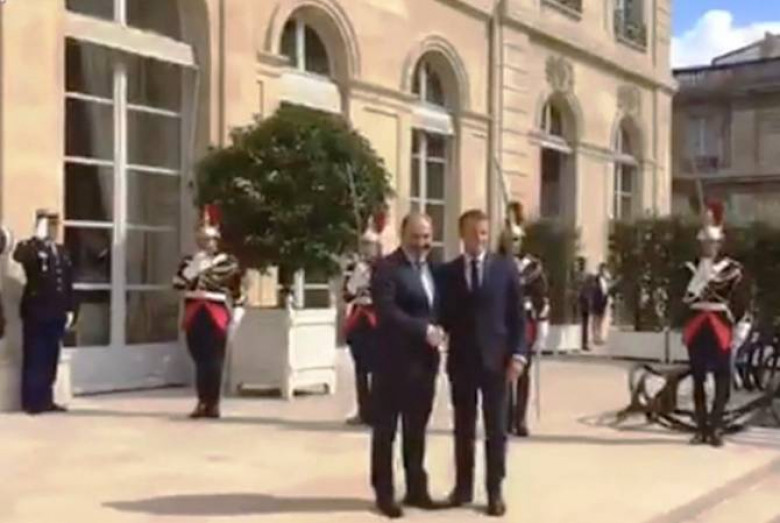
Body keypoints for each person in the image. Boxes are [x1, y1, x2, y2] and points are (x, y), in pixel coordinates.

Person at [440, 209, 525, 517]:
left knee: (496, 430)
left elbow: (517, 317)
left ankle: (494, 491)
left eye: (485, 233)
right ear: (462, 235)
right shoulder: (448, 272)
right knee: (463, 428)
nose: (480, 239)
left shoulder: (504, 269)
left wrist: (518, 355)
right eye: (474, 233)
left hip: (496, 362)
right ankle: (462, 487)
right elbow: (442, 314)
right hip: (462, 362)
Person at [370, 212, 445, 519]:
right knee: (386, 431)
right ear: (403, 236)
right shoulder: (387, 268)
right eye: (415, 236)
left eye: (426, 237)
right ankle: (384, 494)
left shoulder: (433, 269)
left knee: (416, 429)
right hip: (392, 362)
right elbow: (387, 311)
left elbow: (439, 309)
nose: (421, 243)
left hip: (425, 363)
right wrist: (423, 330)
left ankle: (416, 488)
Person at [681, 201, 751, 447]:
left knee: (722, 378)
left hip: (720, 326)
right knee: (698, 378)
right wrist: (699, 278)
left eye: (712, 243)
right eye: (704, 243)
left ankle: (716, 426)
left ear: (720, 244)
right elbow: (683, 299)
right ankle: (701, 427)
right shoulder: (690, 268)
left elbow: (740, 301)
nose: (708, 247)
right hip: (697, 327)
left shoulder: (732, 269)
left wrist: (738, 327)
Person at [173, 205, 244, 419]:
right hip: (194, 311)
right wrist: (194, 267)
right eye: (202, 240)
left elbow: (237, 292)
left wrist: (237, 316)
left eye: (210, 240)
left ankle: (213, 403)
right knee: (199, 359)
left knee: (214, 360)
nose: (206, 244)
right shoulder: (189, 261)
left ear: (217, 241)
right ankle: (202, 400)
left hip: (216, 313)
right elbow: (178, 284)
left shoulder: (228, 263)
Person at [13, 209, 75, 415]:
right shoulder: (31, 249)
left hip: (57, 313)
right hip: (37, 313)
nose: (54, 230)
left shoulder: (61, 251)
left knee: (50, 359)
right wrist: (36, 238)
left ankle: (46, 399)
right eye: (50, 225)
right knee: (35, 357)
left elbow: (67, 282)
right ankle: (32, 402)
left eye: (56, 225)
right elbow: (19, 257)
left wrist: (70, 308)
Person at [499, 201, 549, 438]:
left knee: (523, 372)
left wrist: (543, 325)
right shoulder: (495, 264)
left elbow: (542, 298)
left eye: (517, 240)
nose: (514, 244)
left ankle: (520, 418)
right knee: (503, 372)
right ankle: (505, 417)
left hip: (525, 322)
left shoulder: (533, 267)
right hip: (501, 322)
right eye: (510, 240)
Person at [342, 216, 383, 426]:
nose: (368, 249)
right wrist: (355, 280)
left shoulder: (384, 267)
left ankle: (377, 410)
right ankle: (363, 410)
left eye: (371, 245)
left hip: (377, 319)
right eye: (365, 245)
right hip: (360, 319)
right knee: (360, 369)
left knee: (378, 368)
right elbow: (346, 295)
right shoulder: (355, 267)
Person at [590, 263, 614, 346]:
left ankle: (600, 337)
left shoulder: (606, 280)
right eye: (602, 269)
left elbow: (607, 290)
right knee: (596, 320)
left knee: (601, 320)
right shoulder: (596, 279)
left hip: (604, 301)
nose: (603, 271)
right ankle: (595, 337)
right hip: (597, 301)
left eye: (604, 269)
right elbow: (594, 290)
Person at [575, 257, 592, 351]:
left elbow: (590, 289)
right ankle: (580, 343)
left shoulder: (587, 276)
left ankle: (584, 343)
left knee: (584, 324)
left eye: (582, 264)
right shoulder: (577, 275)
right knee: (580, 324)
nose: (582, 265)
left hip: (585, 301)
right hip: (579, 301)